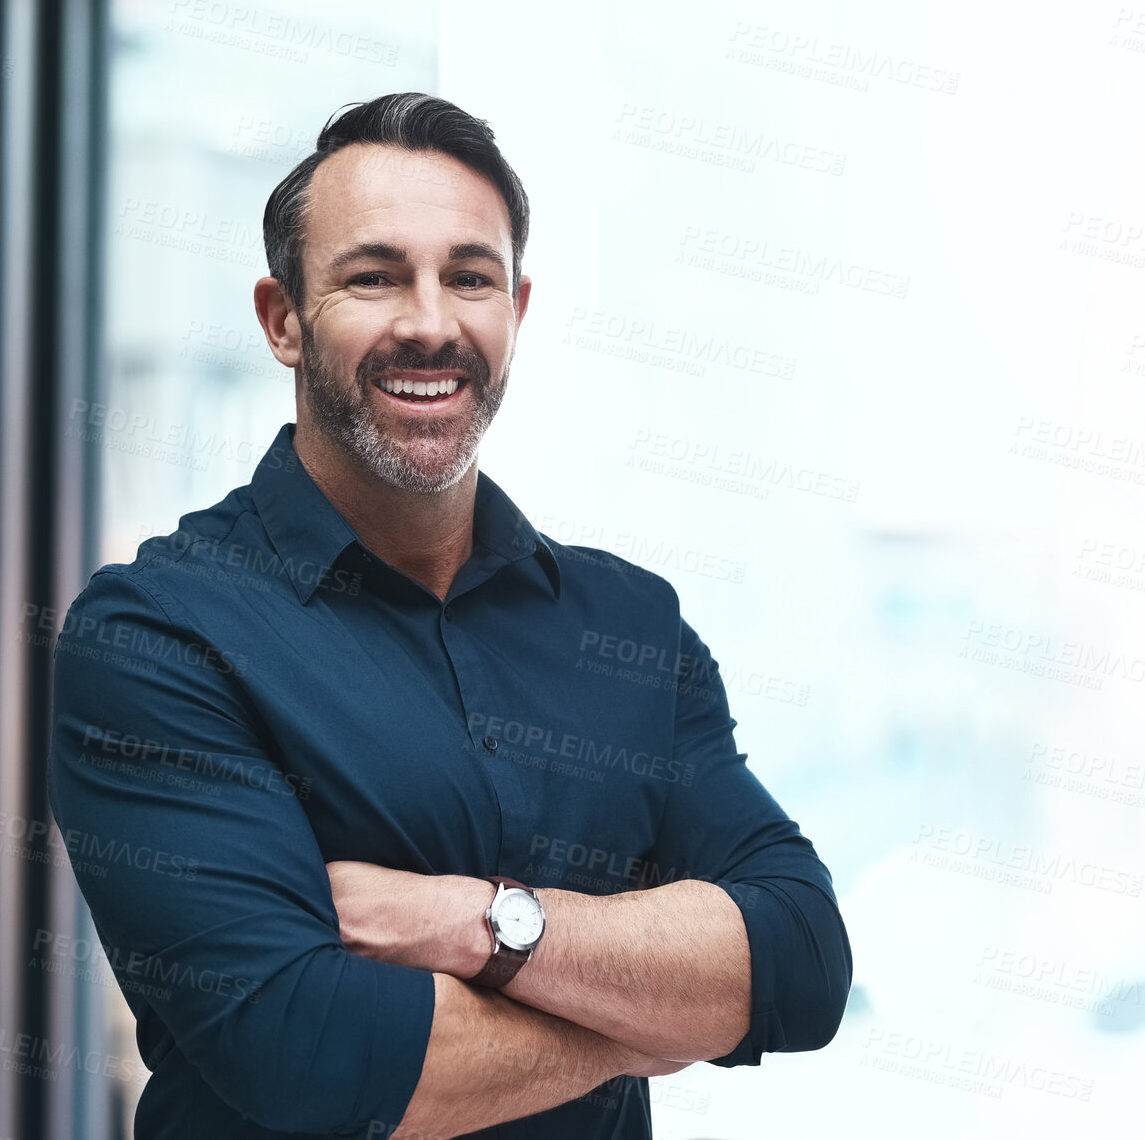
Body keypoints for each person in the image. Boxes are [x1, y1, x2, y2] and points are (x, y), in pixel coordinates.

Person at [47, 91, 851, 1140]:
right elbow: (312, 1056)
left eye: (468, 277)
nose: (430, 324)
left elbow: (801, 958)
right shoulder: (159, 637)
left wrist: (472, 925)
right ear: (282, 318)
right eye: (374, 277)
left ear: (515, 308)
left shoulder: (630, 625)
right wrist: (663, 1011)